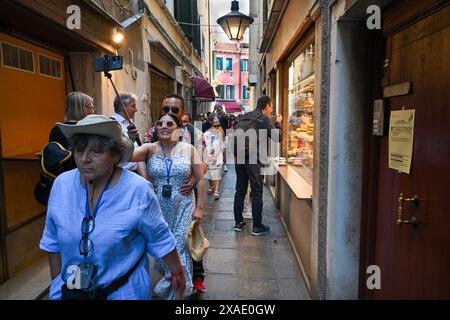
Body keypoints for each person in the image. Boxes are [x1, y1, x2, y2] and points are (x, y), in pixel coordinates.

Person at [39, 115, 185, 300]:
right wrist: (57, 288)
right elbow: (52, 241)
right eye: (80, 149)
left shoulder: (137, 190)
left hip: (124, 291)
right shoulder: (61, 184)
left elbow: (161, 239)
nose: (85, 158)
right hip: (72, 292)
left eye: (97, 151)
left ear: (115, 154)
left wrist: (178, 278)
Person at [131, 113, 206, 299]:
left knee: (178, 247)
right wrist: (128, 139)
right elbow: (125, 156)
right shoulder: (149, 148)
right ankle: (173, 285)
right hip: (157, 209)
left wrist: (200, 208)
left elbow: (201, 180)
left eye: (170, 123)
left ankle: (178, 293)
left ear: (179, 129)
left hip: (183, 207)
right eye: (160, 123)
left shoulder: (189, 149)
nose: (164, 126)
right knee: (162, 250)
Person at [34, 92, 96, 206]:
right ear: (78, 109)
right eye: (89, 106)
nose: (93, 109)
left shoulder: (56, 128)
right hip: (79, 183)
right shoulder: (84, 130)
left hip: (59, 182)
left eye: (93, 106)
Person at [233, 96, 282, 236]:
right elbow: (277, 137)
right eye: (271, 107)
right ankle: (257, 226)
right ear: (266, 106)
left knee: (240, 190)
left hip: (240, 158)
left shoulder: (244, 117)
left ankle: (238, 223)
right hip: (254, 159)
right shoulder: (262, 119)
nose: (271, 110)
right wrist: (278, 123)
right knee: (257, 192)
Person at [111, 92, 145, 174]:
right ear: (123, 107)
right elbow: (113, 154)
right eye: (133, 106)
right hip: (120, 173)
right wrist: (130, 140)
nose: (136, 109)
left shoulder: (131, 123)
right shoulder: (111, 124)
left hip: (135, 173)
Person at [204, 115, 224, 200]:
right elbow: (202, 143)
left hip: (218, 156)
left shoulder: (220, 133)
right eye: (214, 125)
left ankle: (216, 190)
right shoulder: (207, 133)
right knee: (210, 173)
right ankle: (211, 185)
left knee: (217, 173)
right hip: (209, 156)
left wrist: (219, 126)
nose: (216, 127)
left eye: (217, 125)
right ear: (211, 126)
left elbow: (222, 136)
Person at [214, 105, 229, 172]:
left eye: (219, 109)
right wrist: (213, 110)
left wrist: (222, 111)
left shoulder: (223, 115)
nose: (218, 111)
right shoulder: (215, 116)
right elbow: (210, 119)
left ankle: (225, 164)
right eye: (217, 109)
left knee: (223, 150)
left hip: (223, 135)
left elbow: (227, 118)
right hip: (215, 134)